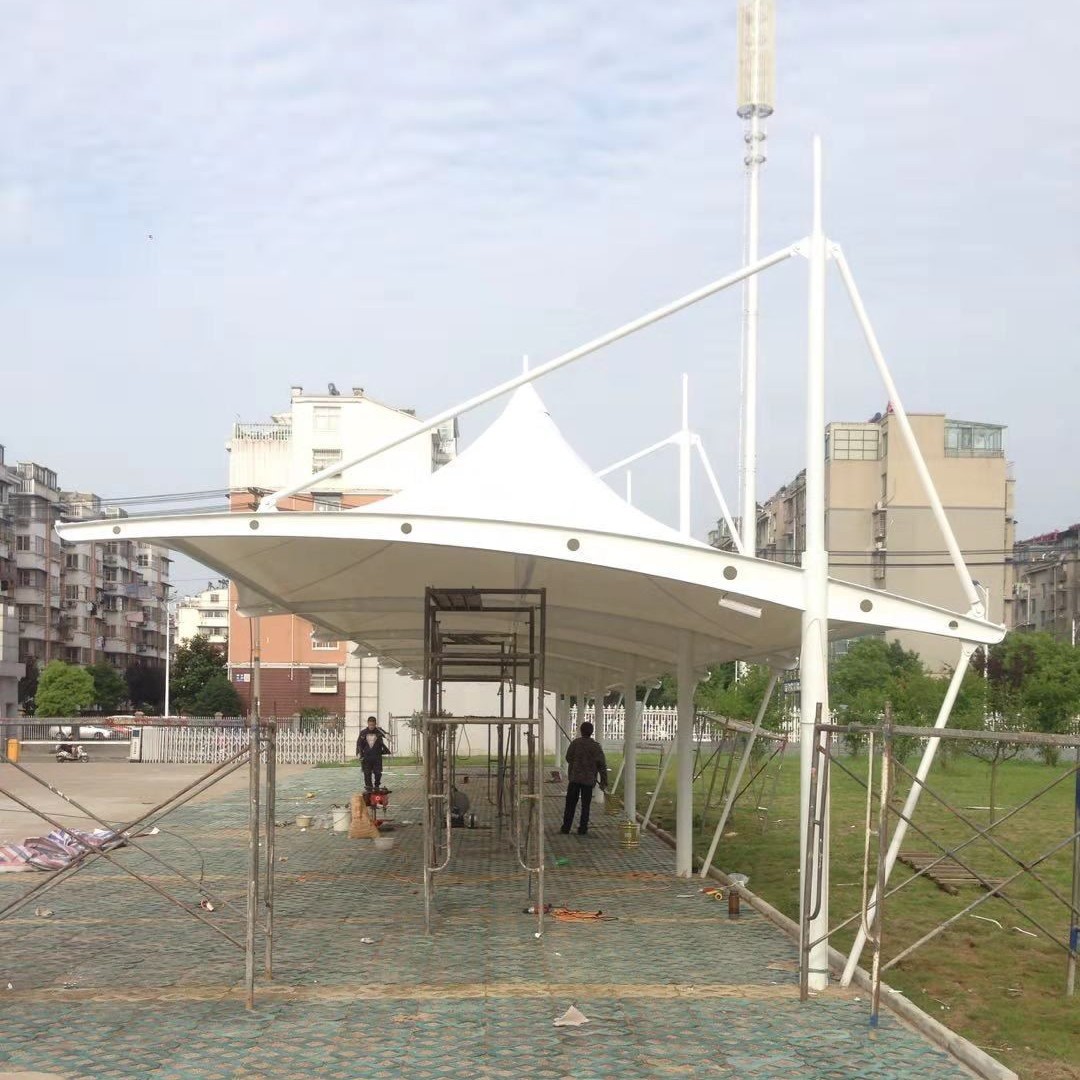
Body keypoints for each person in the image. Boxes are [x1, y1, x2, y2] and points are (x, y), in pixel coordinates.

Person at [561, 721, 608, 836]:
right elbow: (602, 765)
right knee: (585, 806)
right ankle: (583, 828)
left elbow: (568, 758)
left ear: (581, 731)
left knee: (570, 804)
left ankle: (566, 827)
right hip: (588, 780)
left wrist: (577, 762)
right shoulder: (596, 747)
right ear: (591, 732)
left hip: (575, 779)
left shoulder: (575, 743)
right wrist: (603, 782)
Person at [355, 716, 391, 792]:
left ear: (375, 724)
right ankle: (369, 788)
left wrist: (387, 736)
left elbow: (386, 735)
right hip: (367, 757)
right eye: (370, 725)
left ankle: (377, 786)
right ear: (368, 724)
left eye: (373, 725)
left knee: (378, 773)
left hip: (377, 756)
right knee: (367, 773)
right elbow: (359, 743)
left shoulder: (379, 731)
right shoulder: (363, 732)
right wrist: (358, 753)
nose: (371, 726)